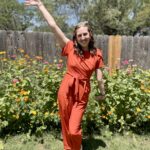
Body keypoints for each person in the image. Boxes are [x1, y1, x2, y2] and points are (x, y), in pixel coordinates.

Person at [25, 0, 105, 150]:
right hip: (66, 89)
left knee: (74, 129)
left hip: (82, 92)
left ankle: (75, 145)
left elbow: (99, 77)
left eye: (85, 34)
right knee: (65, 122)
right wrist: (40, 6)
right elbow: (53, 26)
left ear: (90, 34)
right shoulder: (69, 47)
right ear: (76, 37)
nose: (83, 37)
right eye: (79, 35)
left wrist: (102, 93)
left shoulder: (97, 54)